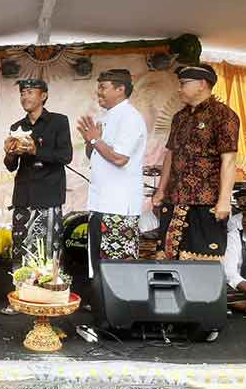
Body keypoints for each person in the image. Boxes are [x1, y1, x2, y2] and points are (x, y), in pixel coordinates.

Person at [77, 69, 147, 318]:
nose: (99, 92)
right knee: (98, 265)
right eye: (99, 87)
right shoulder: (108, 117)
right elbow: (96, 156)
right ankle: (103, 313)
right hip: (101, 203)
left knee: (117, 268)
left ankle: (121, 316)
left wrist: (96, 141)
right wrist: (90, 142)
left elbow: (119, 158)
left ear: (120, 89)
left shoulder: (130, 118)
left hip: (119, 207)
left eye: (104, 87)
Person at [153, 64, 240, 260]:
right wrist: (161, 190)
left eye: (184, 83)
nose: (179, 88)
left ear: (202, 84)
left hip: (205, 202)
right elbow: (170, 155)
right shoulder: (179, 117)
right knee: (167, 259)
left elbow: (229, 160)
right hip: (174, 199)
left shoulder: (224, 115)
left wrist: (224, 200)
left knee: (203, 263)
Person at [0, 78, 72, 315]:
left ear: (44, 95)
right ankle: (21, 296)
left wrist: (35, 150)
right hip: (24, 195)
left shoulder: (58, 122)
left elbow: (65, 156)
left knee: (48, 247)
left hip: (48, 195)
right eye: (22, 93)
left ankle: (49, 296)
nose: (25, 97)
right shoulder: (17, 125)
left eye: (30, 92)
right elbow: (11, 166)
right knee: (21, 246)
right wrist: (9, 153)